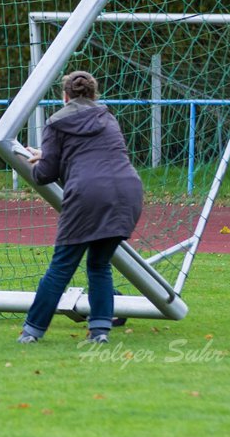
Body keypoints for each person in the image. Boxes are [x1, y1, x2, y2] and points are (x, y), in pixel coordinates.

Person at [17, 70, 143, 344]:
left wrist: (38, 161)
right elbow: (93, 158)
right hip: (127, 191)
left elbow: (45, 175)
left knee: (61, 267)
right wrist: (50, 156)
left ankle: (31, 331)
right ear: (93, 94)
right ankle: (99, 332)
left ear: (65, 96)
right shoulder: (107, 118)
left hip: (88, 195)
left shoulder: (56, 122)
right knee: (99, 265)